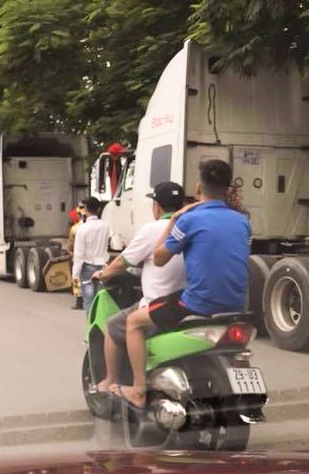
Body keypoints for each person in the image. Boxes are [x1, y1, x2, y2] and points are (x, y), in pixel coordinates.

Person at [107, 160, 251, 408]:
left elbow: (159, 258)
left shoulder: (190, 220)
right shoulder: (241, 221)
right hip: (237, 303)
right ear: (228, 188)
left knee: (132, 322)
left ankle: (139, 390)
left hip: (197, 304)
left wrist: (174, 219)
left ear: (198, 187)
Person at [90, 182, 187, 395]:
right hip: (188, 302)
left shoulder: (151, 230)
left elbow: (122, 262)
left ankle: (117, 382)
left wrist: (103, 274)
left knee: (114, 325)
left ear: (157, 206)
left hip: (159, 304)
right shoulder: (190, 227)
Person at [72, 197, 111, 315]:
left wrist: (75, 274)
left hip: (87, 268)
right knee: (101, 299)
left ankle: (91, 328)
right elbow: (114, 242)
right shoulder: (106, 226)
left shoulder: (82, 229)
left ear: (85, 210)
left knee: (89, 301)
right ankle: (101, 327)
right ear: (99, 209)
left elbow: (79, 254)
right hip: (103, 267)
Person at [67, 204, 85, 310]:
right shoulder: (100, 225)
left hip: (78, 257)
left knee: (77, 278)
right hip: (94, 258)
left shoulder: (75, 228)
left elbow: (70, 244)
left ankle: (79, 302)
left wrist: (70, 251)